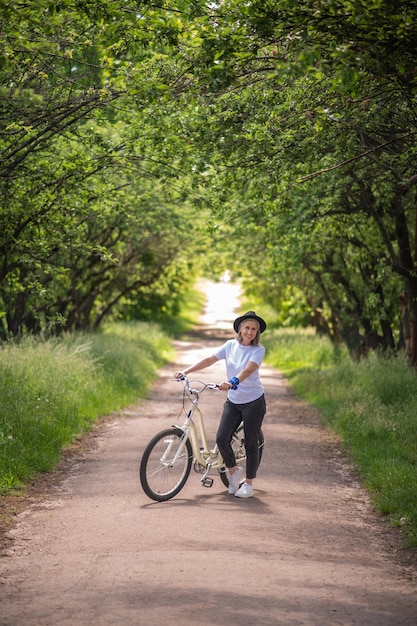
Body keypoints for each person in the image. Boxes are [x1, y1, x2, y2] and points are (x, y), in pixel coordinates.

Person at [174, 311, 267, 499]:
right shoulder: (230, 345)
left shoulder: (258, 350)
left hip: (253, 401)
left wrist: (232, 381)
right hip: (234, 401)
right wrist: (186, 371)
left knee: (250, 442)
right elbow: (210, 359)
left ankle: (248, 484)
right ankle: (233, 473)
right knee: (221, 437)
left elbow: (248, 370)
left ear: (257, 333)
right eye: (247, 328)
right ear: (240, 329)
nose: (249, 332)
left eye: (254, 329)